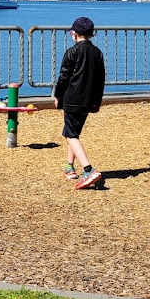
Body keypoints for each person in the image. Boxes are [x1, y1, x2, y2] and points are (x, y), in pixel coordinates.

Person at [53, 16, 106, 189]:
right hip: (88, 99)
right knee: (73, 132)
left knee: (70, 134)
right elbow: (100, 80)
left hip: (72, 98)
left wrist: (58, 95)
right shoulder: (97, 53)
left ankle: (88, 169)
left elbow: (64, 77)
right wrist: (96, 102)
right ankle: (69, 166)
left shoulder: (71, 52)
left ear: (74, 34)